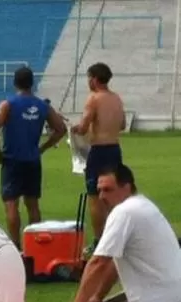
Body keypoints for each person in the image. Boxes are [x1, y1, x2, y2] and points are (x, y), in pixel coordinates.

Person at [57, 164, 181, 302]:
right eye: (99, 190)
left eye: (108, 190)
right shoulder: (144, 204)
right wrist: (98, 296)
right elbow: (114, 260)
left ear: (126, 187)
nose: (101, 196)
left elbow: (98, 262)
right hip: (173, 299)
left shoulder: (124, 212)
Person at [0, 67, 67, 248]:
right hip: (32, 159)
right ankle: (37, 246)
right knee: (33, 205)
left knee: (11, 204)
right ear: (32, 83)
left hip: (12, 159)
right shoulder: (42, 105)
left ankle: (15, 246)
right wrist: (43, 147)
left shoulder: (8, 104)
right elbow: (60, 129)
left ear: (15, 83)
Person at [70, 63, 126, 255]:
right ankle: (116, 238)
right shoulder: (116, 98)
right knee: (113, 195)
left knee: (95, 196)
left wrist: (76, 128)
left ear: (94, 78)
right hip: (115, 149)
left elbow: (84, 127)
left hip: (99, 152)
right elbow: (123, 124)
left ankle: (99, 240)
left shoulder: (93, 99)